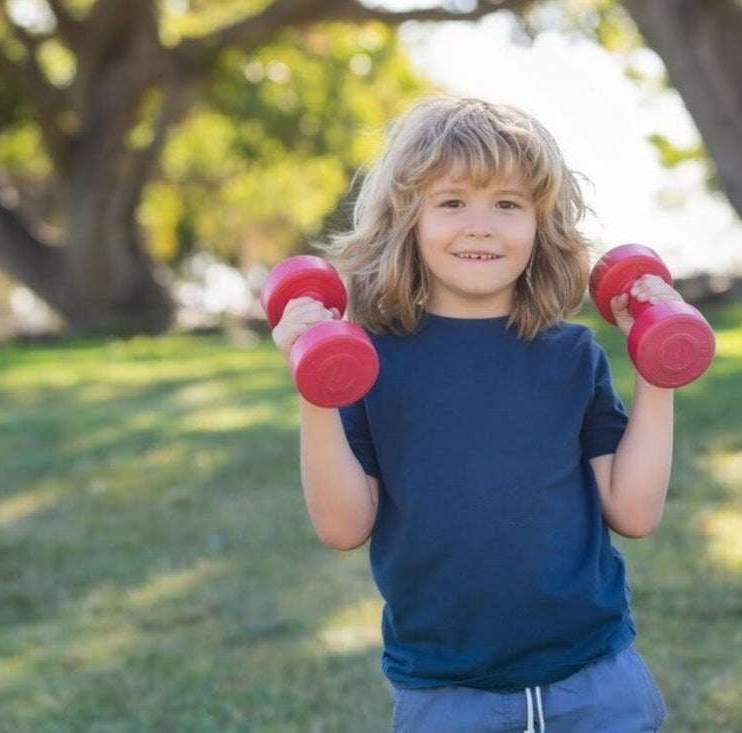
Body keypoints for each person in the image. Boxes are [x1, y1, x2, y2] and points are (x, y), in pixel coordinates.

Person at [272, 96, 681, 732]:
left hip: (595, 683)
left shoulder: (571, 355)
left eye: (508, 204)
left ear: (539, 225)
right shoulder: (369, 361)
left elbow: (633, 510)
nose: (481, 224)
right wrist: (314, 383)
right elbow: (343, 527)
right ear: (407, 220)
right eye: (453, 201)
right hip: (448, 695)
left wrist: (659, 370)